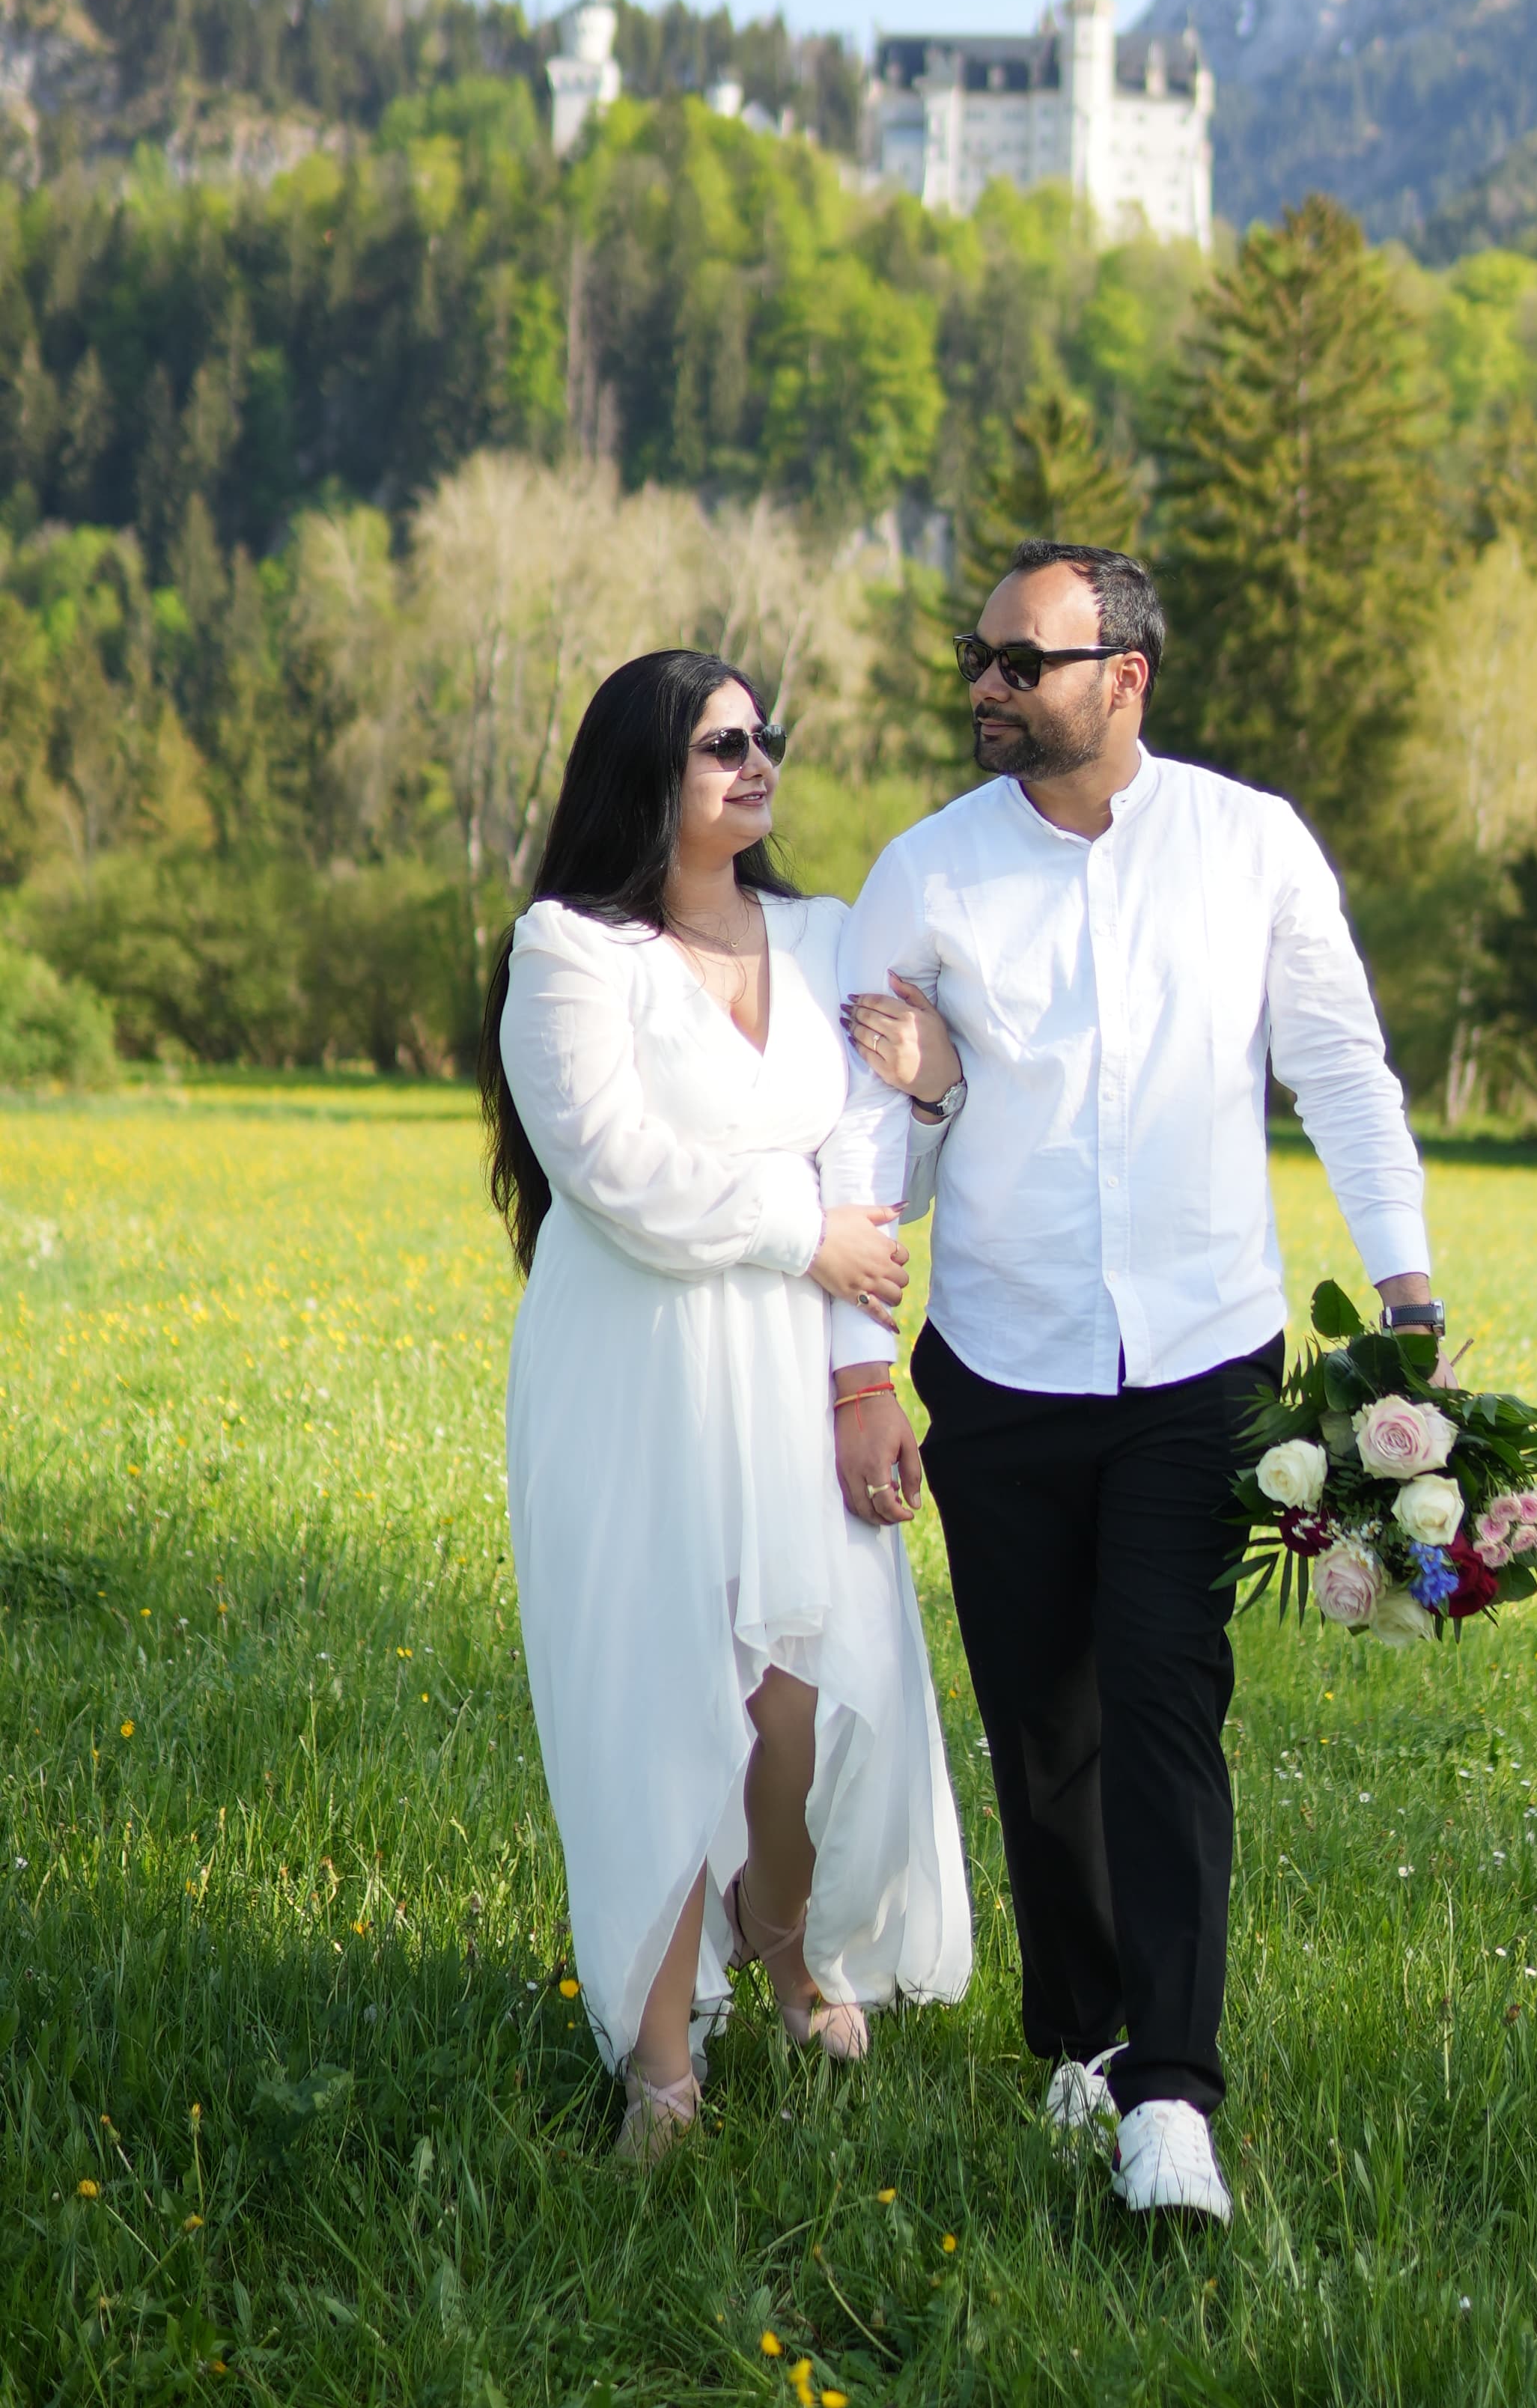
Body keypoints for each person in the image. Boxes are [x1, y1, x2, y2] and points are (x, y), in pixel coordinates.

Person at [824, 544, 1439, 2224]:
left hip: (1198, 1363)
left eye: (1023, 659)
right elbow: (875, 1145)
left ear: (1127, 676)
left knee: (1168, 1703)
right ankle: (1081, 2047)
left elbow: (1344, 1075)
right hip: (1004, 1368)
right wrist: (861, 1369)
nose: (988, 685)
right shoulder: (927, 875)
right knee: (1047, 1723)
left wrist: (1408, 1294)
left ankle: (1174, 2097)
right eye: (981, 657)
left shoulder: (1250, 848)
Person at [478, 649, 972, 2168]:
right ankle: (659, 2060)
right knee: (655, 1698)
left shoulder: (825, 941)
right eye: (720, 746)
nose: (758, 765)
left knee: (795, 1709)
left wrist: (936, 1093)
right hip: (631, 1376)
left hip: (787, 1372)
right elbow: (613, 1174)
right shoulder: (570, 951)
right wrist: (798, 1226)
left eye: (768, 739)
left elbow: (871, 1182)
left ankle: (780, 1920)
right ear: (647, 773)